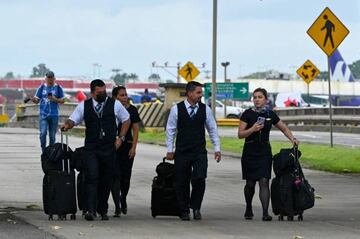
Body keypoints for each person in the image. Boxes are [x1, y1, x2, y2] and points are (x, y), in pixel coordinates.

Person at [62, 79, 130, 221]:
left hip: (108, 148)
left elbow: (126, 120)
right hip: (91, 148)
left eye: (104, 91)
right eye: (100, 92)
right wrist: (67, 125)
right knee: (92, 177)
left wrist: (121, 138)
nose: (103, 94)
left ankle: (102, 209)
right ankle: (90, 210)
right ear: (92, 93)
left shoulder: (115, 104)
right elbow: (73, 119)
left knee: (106, 179)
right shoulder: (84, 106)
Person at [238, 88, 299, 221]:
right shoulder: (247, 114)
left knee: (264, 181)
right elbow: (240, 134)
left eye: (260, 97)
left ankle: (265, 213)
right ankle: (248, 207)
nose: (257, 99)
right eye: (255, 97)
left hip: (264, 152)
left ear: (265, 99)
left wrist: (292, 138)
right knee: (250, 183)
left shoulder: (270, 114)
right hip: (250, 151)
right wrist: (252, 129)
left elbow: (283, 127)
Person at [166, 81, 221, 221]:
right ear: (189, 93)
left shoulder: (205, 109)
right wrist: (170, 149)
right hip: (182, 151)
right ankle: (184, 210)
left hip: (199, 151)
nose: (200, 95)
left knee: (199, 178)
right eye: (198, 92)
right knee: (181, 182)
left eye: (201, 93)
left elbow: (212, 129)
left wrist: (217, 148)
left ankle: (196, 207)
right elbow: (171, 130)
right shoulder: (176, 109)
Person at [110, 86, 141, 217]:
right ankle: (117, 205)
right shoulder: (110, 109)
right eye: (121, 95)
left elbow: (135, 130)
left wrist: (134, 147)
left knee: (125, 177)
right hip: (113, 147)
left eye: (126, 95)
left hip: (127, 147)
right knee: (114, 176)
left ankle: (123, 197)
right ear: (115, 97)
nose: (125, 97)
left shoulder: (132, 110)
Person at [30, 71, 65, 152]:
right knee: (43, 133)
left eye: (51, 79)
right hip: (43, 115)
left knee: (52, 136)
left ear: (54, 79)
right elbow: (37, 101)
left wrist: (54, 99)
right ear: (45, 79)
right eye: (48, 79)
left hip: (54, 115)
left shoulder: (58, 88)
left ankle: (51, 152)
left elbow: (63, 100)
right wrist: (33, 99)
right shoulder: (41, 88)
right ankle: (44, 151)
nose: (50, 81)